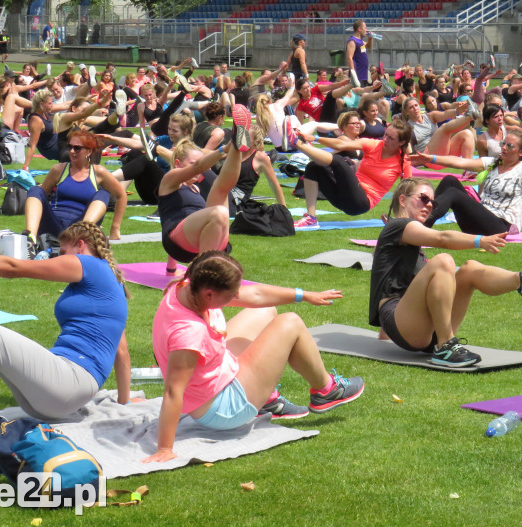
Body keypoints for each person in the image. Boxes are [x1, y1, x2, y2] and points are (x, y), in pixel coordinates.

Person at [142, 251, 362, 462]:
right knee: (290, 323)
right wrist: (164, 448)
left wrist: (303, 295)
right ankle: (326, 390)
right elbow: (173, 390)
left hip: (217, 376)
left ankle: (266, 401)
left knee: (265, 311)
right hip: (223, 408)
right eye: (232, 295)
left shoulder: (187, 285)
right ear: (209, 294)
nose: (237, 296)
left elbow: (255, 295)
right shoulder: (189, 334)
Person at [0, 222, 132, 419]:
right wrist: (124, 402)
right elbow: (121, 351)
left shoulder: (88, 264)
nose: (59, 258)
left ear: (80, 245)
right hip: (64, 389)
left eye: (62, 252)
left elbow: (13, 268)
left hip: (69, 383)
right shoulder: (112, 284)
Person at [369, 178, 522, 367]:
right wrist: (479, 240)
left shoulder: (407, 236)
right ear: (402, 200)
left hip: (419, 324)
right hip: (401, 320)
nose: (429, 206)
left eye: (432, 203)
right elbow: (442, 237)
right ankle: (445, 345)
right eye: (423, 198)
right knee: (443, 261)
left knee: (470, 269)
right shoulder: (397, 226)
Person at [411, 129, 522, 241]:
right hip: (480, 220)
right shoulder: (492, 163)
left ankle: (420, 228)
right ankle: (420, 223)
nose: (503, 148)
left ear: (521, 152)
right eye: (504, 143)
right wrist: (431, 158)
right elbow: (458, 162)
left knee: (453, 193)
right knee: (449, 180)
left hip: (499, 227)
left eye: (509, 146)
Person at [293, 118, 413, 228]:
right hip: (344, 196)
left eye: (391, 138)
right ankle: (310, 218)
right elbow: (342, 144)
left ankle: (296, 143)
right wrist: (316, 138)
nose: (385, 139)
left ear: (401, 142)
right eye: (385, 135)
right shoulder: (375, 145)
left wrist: (401, 219)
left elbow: (408, 193)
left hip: (360, 202)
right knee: (313, 167)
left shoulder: (403, 162)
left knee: (339, 161)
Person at [23, 131, 127, 252]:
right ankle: (31, 240)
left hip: (79, 228)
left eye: (77, 148)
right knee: (35, 190)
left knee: (103, 194)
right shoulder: (59, 169)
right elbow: (41, 196)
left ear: (89, 151)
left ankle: (82, 233)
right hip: (54, 225)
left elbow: (121, 196)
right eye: (70, 147)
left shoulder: (99, 172)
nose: (72, 151)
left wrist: (115, 228)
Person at [158, 135, 247, 273]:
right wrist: (223, 149)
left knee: (222, 188)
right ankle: (200, 273)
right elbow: (171, 222)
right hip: (179, 243)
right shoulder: (169, 180)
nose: (200, 169)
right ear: (177, 164)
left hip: (206, 238)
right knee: (219, 212)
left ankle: (237, 147)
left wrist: (171, 269)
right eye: (192, 163)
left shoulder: (195, 187)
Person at [346, 20, 373, 87]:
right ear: (359, 29)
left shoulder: (360, 41)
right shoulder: (352, 41)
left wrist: (370, 40)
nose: (366, 30)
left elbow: (368, 46)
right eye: (365, 28)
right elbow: (349, 58)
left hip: (363, 74)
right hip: (357, 74)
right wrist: (353, 73)